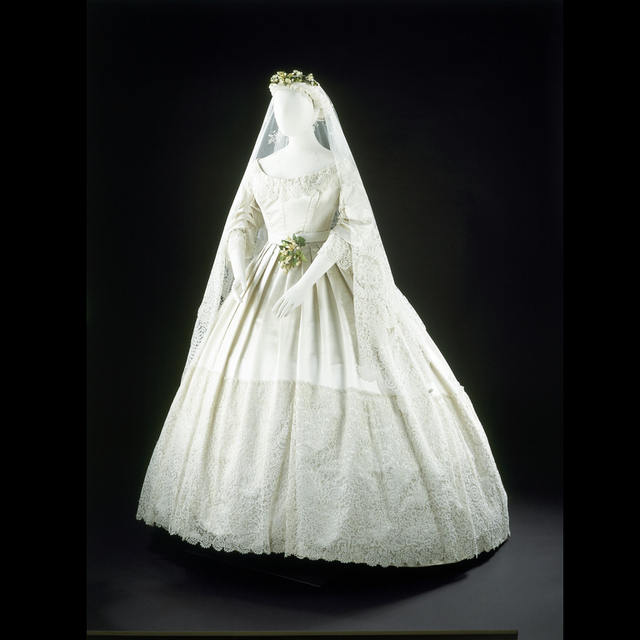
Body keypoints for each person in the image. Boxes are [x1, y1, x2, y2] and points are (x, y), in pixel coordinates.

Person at [136, 70, 510, 568]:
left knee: (349, 376)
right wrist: (242, 273)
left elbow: (352, 227)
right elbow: (241, 222)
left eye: (292, 105)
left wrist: (307, 281)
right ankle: (256, 518)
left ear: (315, 110)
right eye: (277, 106)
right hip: (263, 286)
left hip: (323, 280)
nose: (281, 114)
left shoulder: (336, 166)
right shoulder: (262, 166)